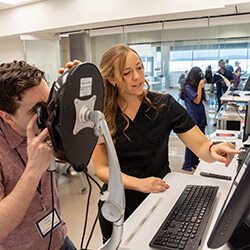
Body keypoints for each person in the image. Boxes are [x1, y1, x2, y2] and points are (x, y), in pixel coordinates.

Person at [90, 44, 241, 243]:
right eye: (127, 73)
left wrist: (214, 149)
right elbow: (101, 168)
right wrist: (140, 184)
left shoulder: (163, 106)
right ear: (112, 79)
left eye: (139, 68)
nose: (137, 76)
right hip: (119, 205)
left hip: (159, 198)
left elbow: (201, 146)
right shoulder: (101, 115)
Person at [0, 61, 76, 249]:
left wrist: (79, 90)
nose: (49, 115)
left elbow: (95, 140)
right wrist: (33, 170)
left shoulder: (45, 123)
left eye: (48, 103)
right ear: (7, 117)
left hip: (60, 238)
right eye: (38, 110)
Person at [180, 67, 207, 172]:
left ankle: (195, 161)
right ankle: (187, 164)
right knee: (192, 142)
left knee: (200, 141)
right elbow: (196, 100)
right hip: (193, 117)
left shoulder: (195, 87)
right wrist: (200, 87)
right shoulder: (188, 87)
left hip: (200, 116)